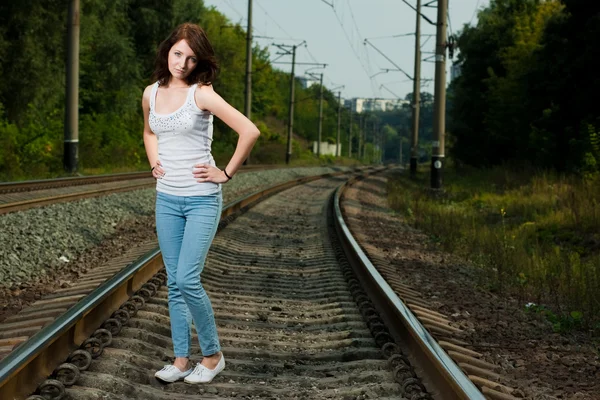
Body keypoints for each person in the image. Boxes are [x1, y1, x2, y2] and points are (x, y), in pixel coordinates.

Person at [142, 23, 259, 384]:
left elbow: (249, 131)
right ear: (168, 52)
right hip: (167, 200)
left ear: (198, 62)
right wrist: (153, 161)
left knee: (187, 278)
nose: (182, 62)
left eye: (191, 58)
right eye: (178, 54)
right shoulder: (151, 93)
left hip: (201, 201)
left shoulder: (202, 94)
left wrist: (224, 172)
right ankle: (180, 361)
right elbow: (149, 131)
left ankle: (212, 356)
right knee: (173, 283)